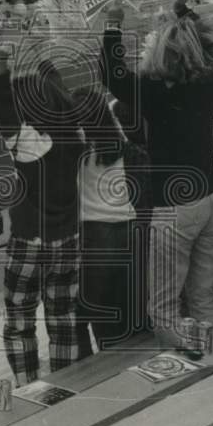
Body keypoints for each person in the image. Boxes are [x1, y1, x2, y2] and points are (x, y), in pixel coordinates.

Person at [100, 0, 213, 348]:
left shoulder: (154, 93)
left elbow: (113, 75)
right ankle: (209, 356)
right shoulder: (208, 82)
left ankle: (183, 374)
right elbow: (197, 47)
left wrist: (112, 26)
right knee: (202, 295)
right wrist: (181, 16)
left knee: (163, 307)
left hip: (176, 209)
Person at [0, 45, 83, 384]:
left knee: (19, 322)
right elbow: (57, 88)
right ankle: (66, 381)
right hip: (69, 240)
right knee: (63, 318)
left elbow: (1, 104)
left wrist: (0, 64)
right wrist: (42, 60)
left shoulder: (28, 143)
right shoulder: (76, 135)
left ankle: (28, 384)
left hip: (30, 243)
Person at [72, 87, 150, 353]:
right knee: (133, 312)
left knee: (100, 318)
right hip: (131, 234)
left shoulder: (75, 153)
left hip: (96, 237)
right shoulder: (125, 147)